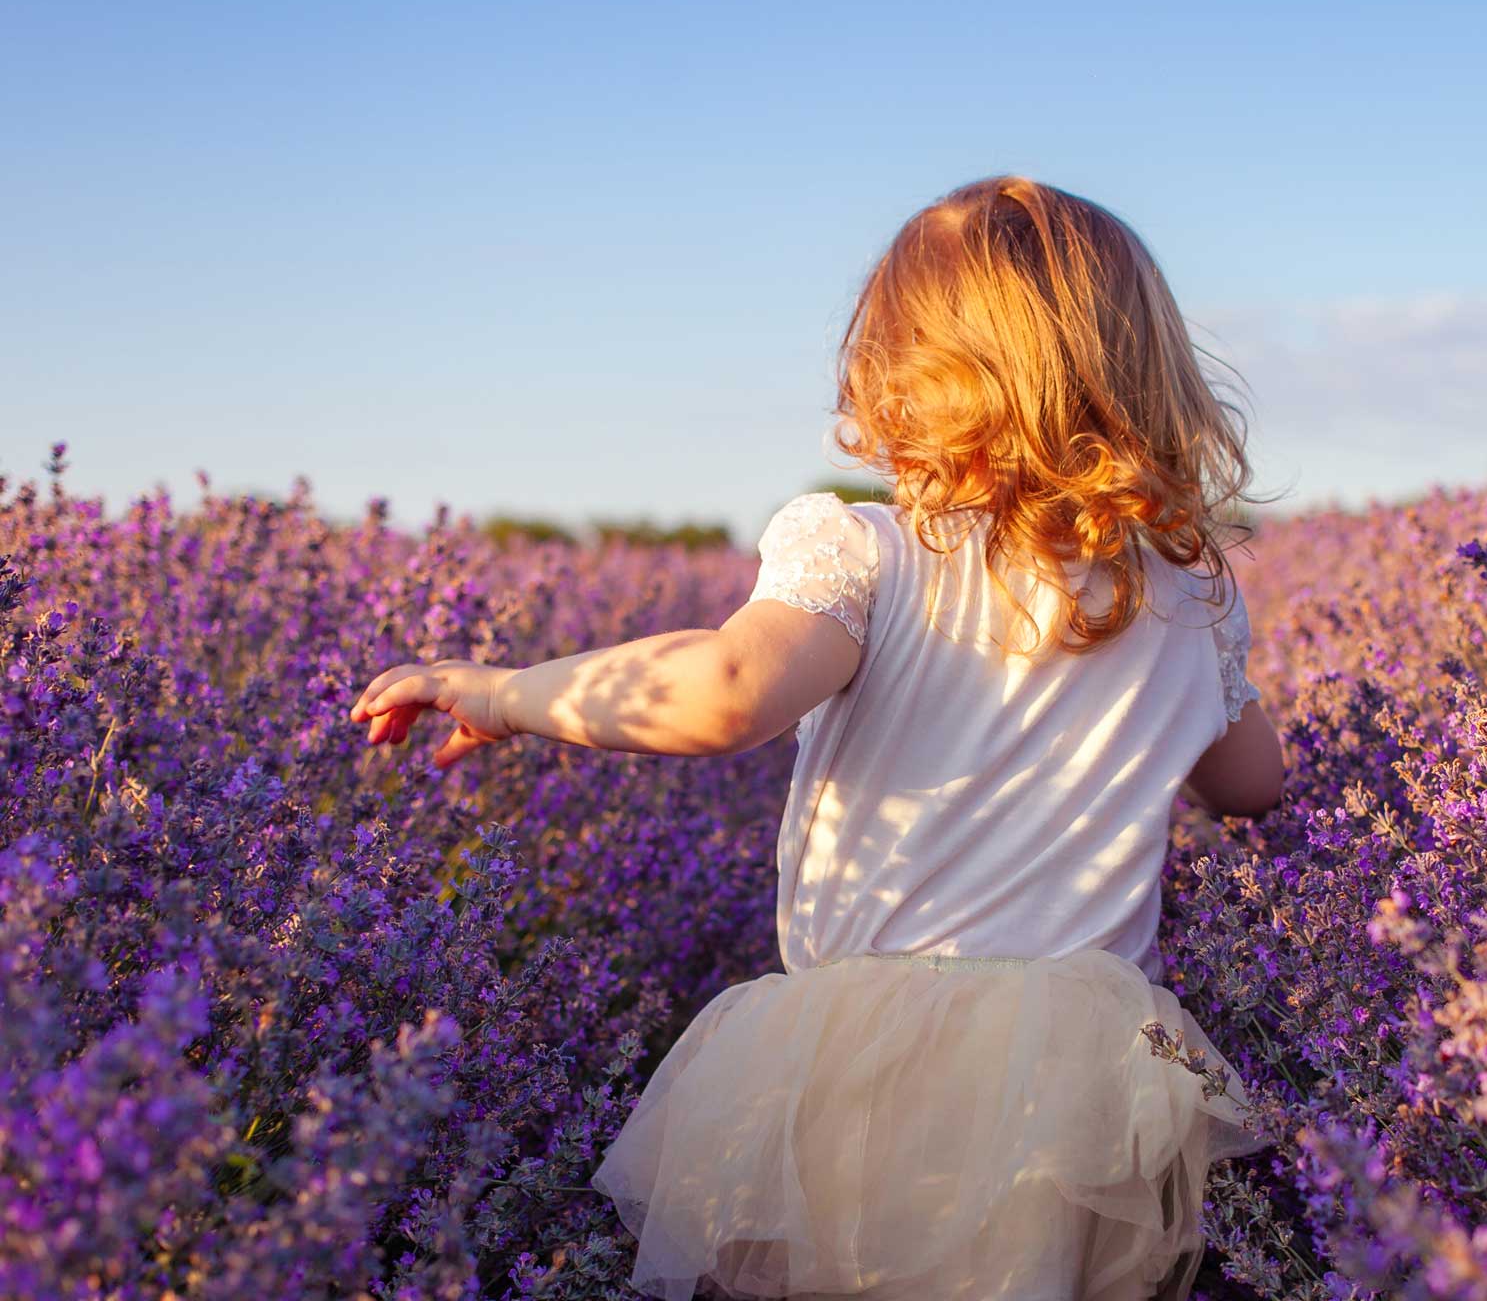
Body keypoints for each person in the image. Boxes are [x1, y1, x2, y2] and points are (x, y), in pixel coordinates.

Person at [348, 176, 1286, 1300]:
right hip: (1086, 1067)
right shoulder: (1191, 592)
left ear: (898, 375)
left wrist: (500, 691)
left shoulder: (868, 551)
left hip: (871, 1054)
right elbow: (1253, 785)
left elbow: (727, 689)